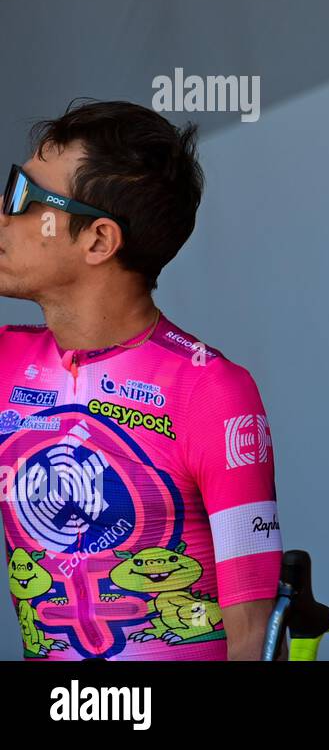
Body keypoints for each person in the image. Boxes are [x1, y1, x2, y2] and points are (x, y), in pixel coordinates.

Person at [0, 100, 282, 660]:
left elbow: (254, 631)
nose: (4, 215)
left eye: (23, 198)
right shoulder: (9, 362)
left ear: (99, 241)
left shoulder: (211, 390)